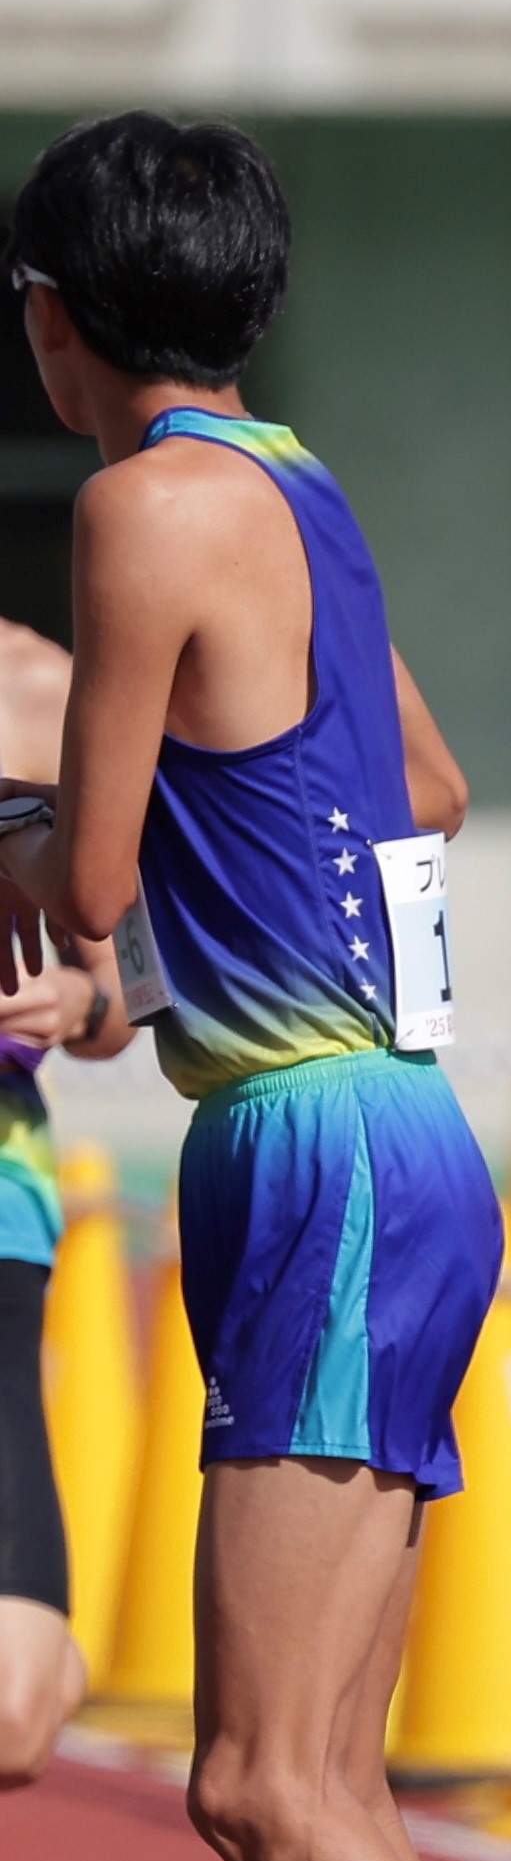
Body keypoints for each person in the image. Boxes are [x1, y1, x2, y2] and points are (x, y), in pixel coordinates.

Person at [0, 114, 511, 1861]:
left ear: (65, 311)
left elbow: (107, 858)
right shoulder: (293, 488)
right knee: (308, 1778)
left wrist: (53, 886)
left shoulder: (143, 509)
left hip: (324, 1151)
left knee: (253, 1776)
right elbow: (422, 780)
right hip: (341, 1132)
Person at [0, 616, 132, 1775]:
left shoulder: (47, 691)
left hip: (0, 1191)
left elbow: (131, 988)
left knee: (9, 1725)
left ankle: (43, 1664)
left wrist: (73, 1008)